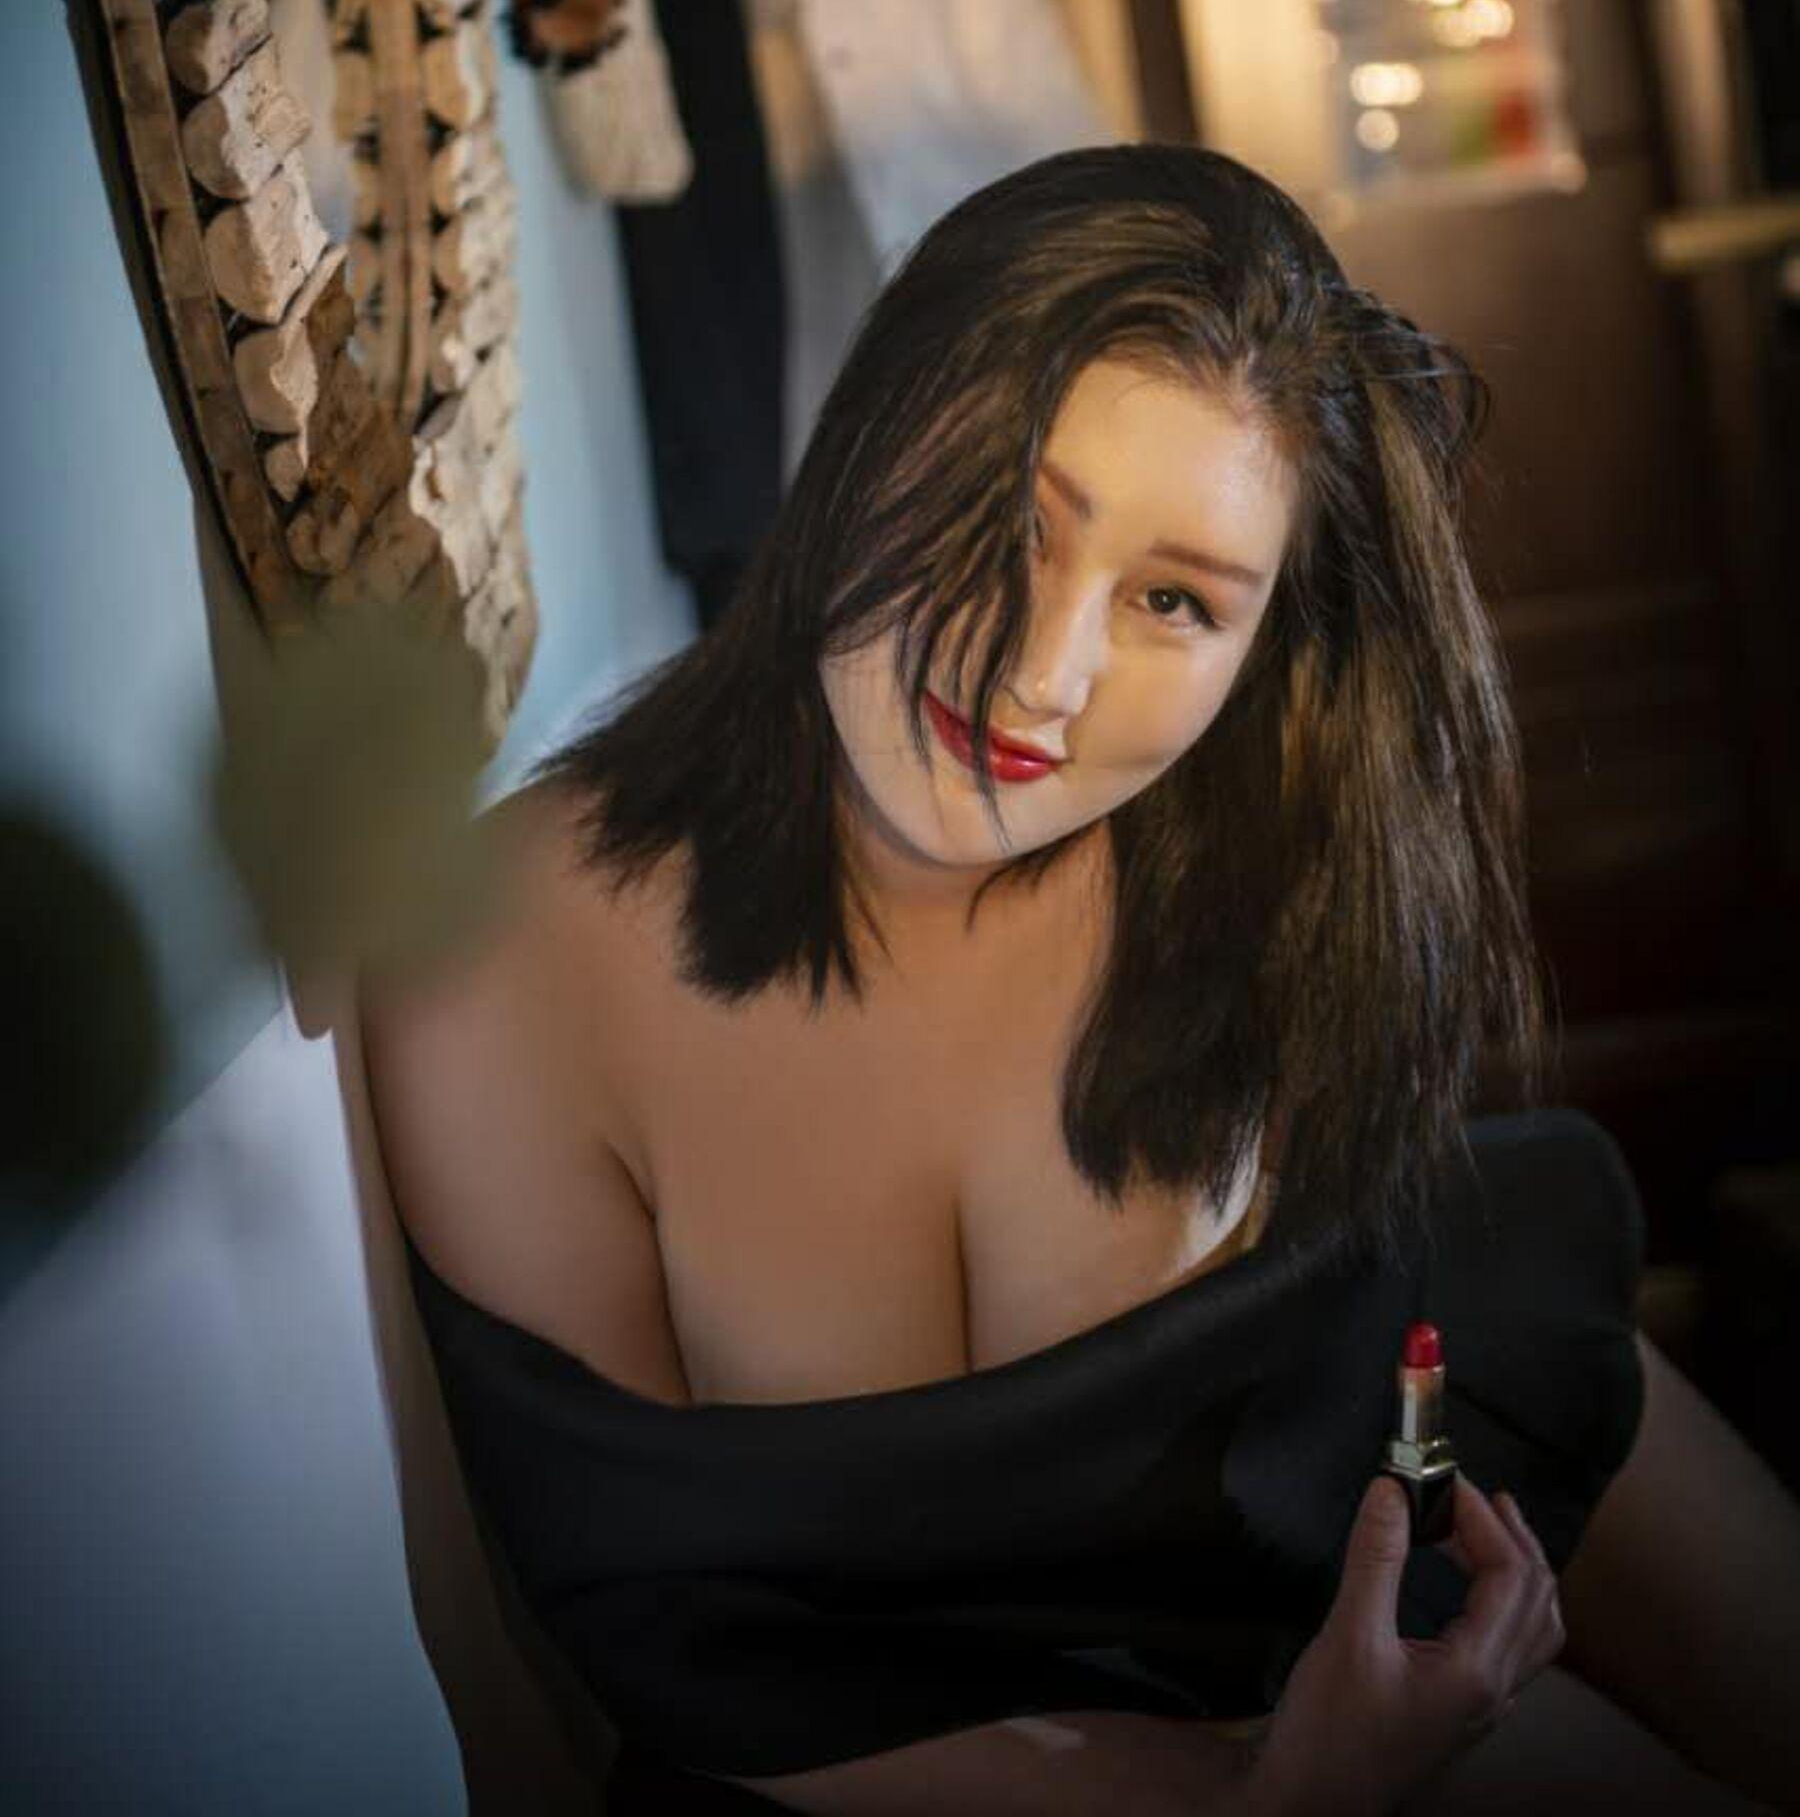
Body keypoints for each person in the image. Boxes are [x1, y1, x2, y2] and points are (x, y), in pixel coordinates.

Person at [365, 146, 1800, 1813]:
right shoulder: (510, 958)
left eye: (1175, 599)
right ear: (868, 427)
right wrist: (1270, 1795)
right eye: (1008, 516)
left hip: (1428, 1449)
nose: (1043, 674)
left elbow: (1380, 1341)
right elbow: (684, 1645)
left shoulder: (1262, 850)